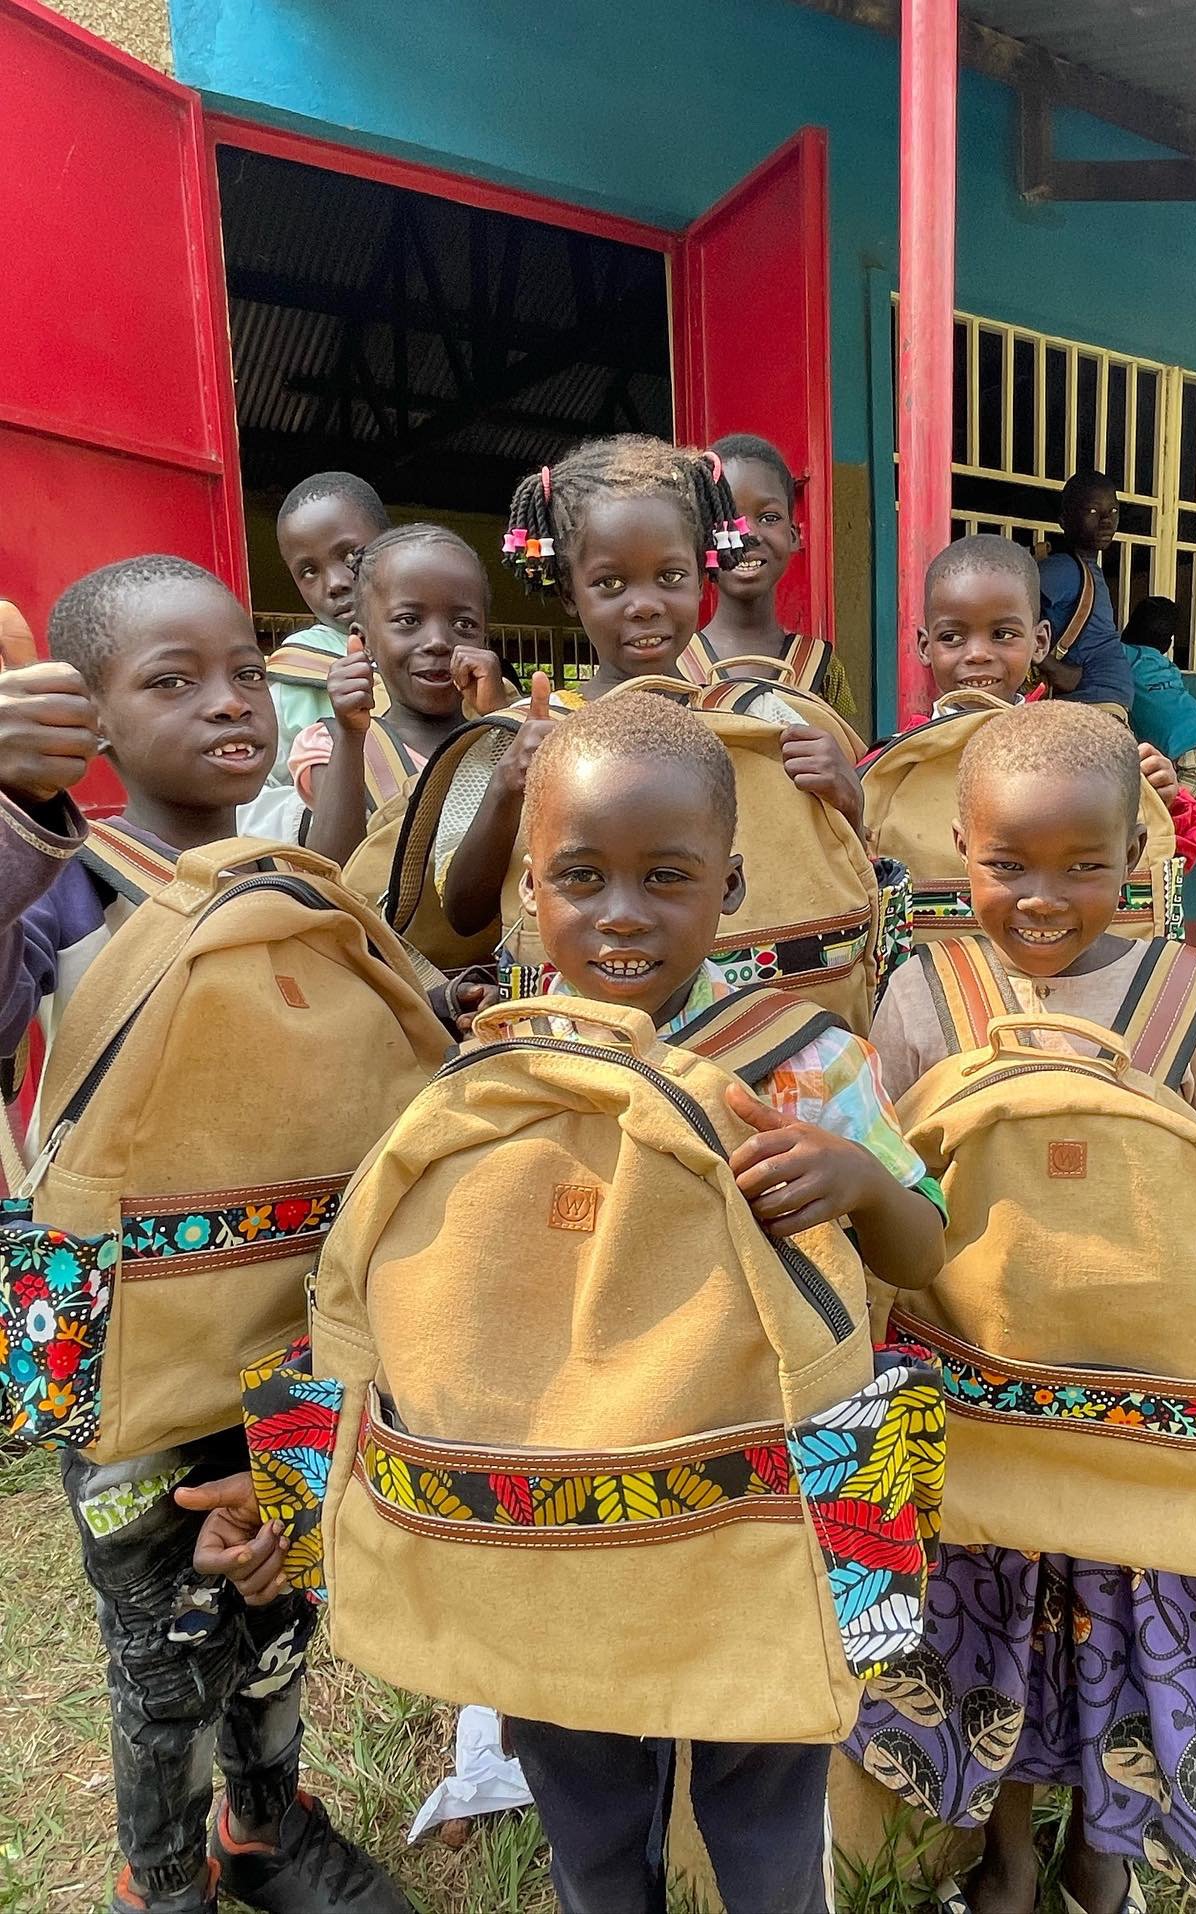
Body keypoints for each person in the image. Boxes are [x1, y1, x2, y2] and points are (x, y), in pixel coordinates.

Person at [189, 689, 947, 1913]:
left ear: (733, 883)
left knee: (763, 1826)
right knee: (590, 1832)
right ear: (528, 887)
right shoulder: (488, 1069)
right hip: (542, 1525)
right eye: (582, 877)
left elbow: (925, 1250)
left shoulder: (797, 1058)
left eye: (669, 876)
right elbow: (394, 1296)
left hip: (752, 1522)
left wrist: (859, 1180)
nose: (623, 914)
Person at [846, 701, 1196, 1914]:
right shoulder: (922, 998)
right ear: (958, 847)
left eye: (1085, 867)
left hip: (1153, 1413)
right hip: (980, 1397)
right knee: (998, 1638)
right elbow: (875, 1168)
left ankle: (1103, 1848)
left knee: (1127, 1634)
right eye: (1007, 865)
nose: (1043, 898)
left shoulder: (1182, 998)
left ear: (1138, 860)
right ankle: (1003, 1852)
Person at [0, 555, 407, 1914]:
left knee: (283, 1604)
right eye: (171, 680)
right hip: (129, 1364)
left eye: (243, 669)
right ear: (90, 719)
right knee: (164, 1647)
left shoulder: (295, 881)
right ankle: (162, 1875)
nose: (227, 700)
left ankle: (264, 1827)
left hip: (291, 1335)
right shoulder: (64, 889)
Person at [442, 434, 862, 939]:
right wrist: (507, 787)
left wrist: (848, 800)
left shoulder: (765, 719)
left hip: (739, 1015)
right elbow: (462, 914)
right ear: (569, 592)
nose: (644, 604)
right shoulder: (522, 737)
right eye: (610, 584)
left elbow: (842, 881)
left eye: (670, 576)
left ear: (703, 579)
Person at [904, 535, 1196, 870]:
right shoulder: (901, 760)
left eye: (1003, 634)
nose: (977, 654)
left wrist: (1163, 802)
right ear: (925, 645)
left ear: (1040, 642)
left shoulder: (1075, 750)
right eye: (952, 637)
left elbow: (1162, 861)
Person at [290, 523, 494, 866]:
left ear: (485, 639)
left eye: (463, 625)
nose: (438, 641)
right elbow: (333, 872)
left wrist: (501, 722)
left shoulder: (508, 731)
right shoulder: (332, 744)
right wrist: (351, 737)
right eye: (408, 620)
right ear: (363, 641)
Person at [679, 432, 857, 715]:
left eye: (768, 518)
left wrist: (836, 760)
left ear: (793, 536)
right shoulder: (675, 665)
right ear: (700, 540)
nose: (747, 534)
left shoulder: (821, 667)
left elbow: (854, 754)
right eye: (727, 518)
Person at [268, 471, 392, 786]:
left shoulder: (437, 647)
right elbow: (251, 796)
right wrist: (312, 812)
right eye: (308, 571)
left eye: (351, 555)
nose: (335, 583)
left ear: (392, 544)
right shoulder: (291, 679)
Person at [1121, 595, 1196, 802]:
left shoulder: (1120, 654)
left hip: (1194, 756)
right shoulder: (1166, 667)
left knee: (1153, 815)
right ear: (1167, 644)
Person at [1037, 471, 1135, 716]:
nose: (1106, 521)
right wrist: (1051, 666)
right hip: (1091, 703)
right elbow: (1006, 615)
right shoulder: (1062, 568)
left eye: (1113, 511)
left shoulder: (1087, 569)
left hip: (1097, 702)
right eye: (1093, 511)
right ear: (1064, 520)